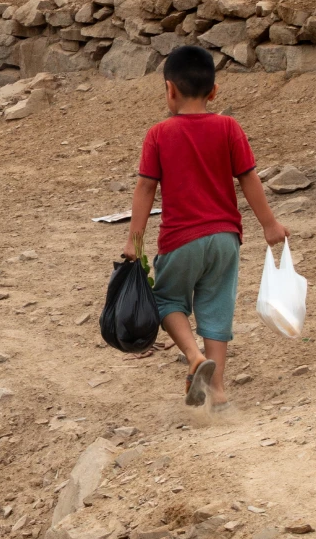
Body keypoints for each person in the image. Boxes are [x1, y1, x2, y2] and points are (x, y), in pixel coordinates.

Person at [122, 45, 289, 409]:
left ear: (169, 90)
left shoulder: (158, 134)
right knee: (216, 310)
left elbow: (146, 188)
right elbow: (248, 178)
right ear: (214, 91)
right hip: (225, 240)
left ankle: (194, 358)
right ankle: (218, 392)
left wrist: (134, 241)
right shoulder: (228, 127)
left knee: (166, 300)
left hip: (181, 240)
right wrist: (270, 224)